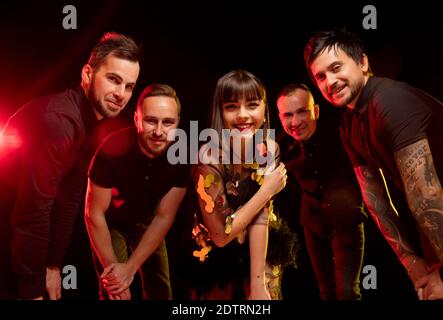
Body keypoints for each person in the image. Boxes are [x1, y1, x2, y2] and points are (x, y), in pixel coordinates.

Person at [0, 32, 141, 300]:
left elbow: (68, 198)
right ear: (87, 74)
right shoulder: (59, 123)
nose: (121, 94)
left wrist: (53, 265)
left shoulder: (90, 126)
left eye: (129, 86)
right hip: (11, 237)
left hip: (17, 242)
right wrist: (32, 290)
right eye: (113, 80)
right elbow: (33, 211)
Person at [303, 28, 443, 298]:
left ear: (363, 63)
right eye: (321, 77)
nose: (330, 81)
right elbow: (376, 204)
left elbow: (427, 196)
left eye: (336, 68)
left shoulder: (391, 102)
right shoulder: (349, 124)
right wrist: (413, 264)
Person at [189, 69, 296, 300]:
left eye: (252, 105)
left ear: (264, 108)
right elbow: (221, 235)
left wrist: (258, 284)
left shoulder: (269, 149)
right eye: (231, 107)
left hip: (256, 248)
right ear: (220, 112)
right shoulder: (208, 160)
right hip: (214, 255)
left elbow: (261, 216)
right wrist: (267, 189)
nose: (242, 115)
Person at [85, 84, 187, 300]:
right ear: (136, 119)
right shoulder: (111, 148)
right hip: (110, 223)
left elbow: (164, 216)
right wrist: (117, 278)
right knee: (115, 294)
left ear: (177, 122)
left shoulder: (182, 156)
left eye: (167, 122)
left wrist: (130, 268)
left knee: (162, 293)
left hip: (148, 222)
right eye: (151, 121)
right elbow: (94, 214)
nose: (159, 131)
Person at [276, 83, 366, 299]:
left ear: (315, 111)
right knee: (326, 292)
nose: (295, 122)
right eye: (288, 115)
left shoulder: (341, 132)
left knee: (347, 292)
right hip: (313, 225)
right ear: (280, 118)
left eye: (302, 112)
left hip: (346, 222)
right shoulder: (279, 146)